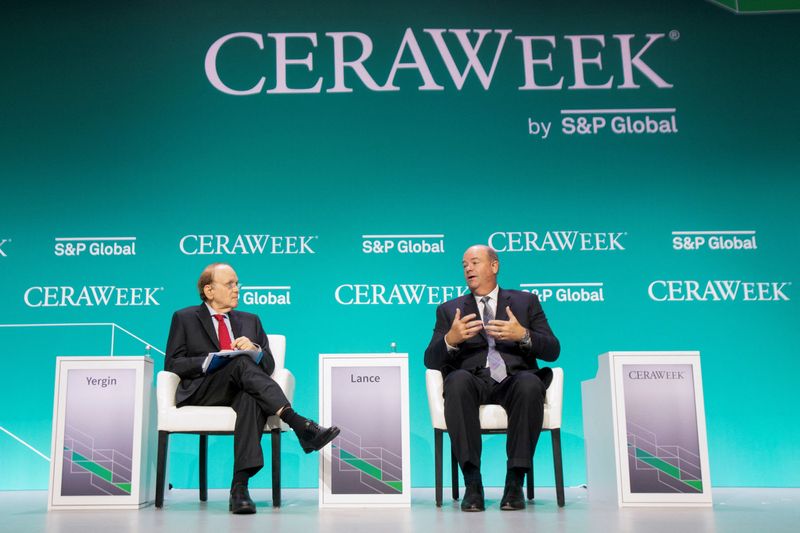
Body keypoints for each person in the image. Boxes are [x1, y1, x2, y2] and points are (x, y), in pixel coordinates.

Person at [165, 262, 339, 514]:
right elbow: (172, 363)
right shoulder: (185, 317)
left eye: (237, 283)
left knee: (250, 394)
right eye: (230, 284)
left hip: (241, 388)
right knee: (239, 364)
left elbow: (268, 365)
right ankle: (298, 423)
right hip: (204, 389)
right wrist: (210, 359)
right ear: (209, 290)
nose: (237, 289)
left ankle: (239, 488)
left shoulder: (250, 320)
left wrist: (254, 349)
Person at [424, 245, 560, 511]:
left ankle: (514, 483)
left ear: (494, 266)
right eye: (464, 265)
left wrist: (523, 335)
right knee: (457, 381)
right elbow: (430, 359)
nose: (468, 269)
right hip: (473, 381)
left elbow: (553, 350)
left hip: (513, 380)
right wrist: (450, 340)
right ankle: (472, 483)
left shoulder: (525, 302)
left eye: (474, 262)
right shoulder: (449, 309)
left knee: (530, 384)